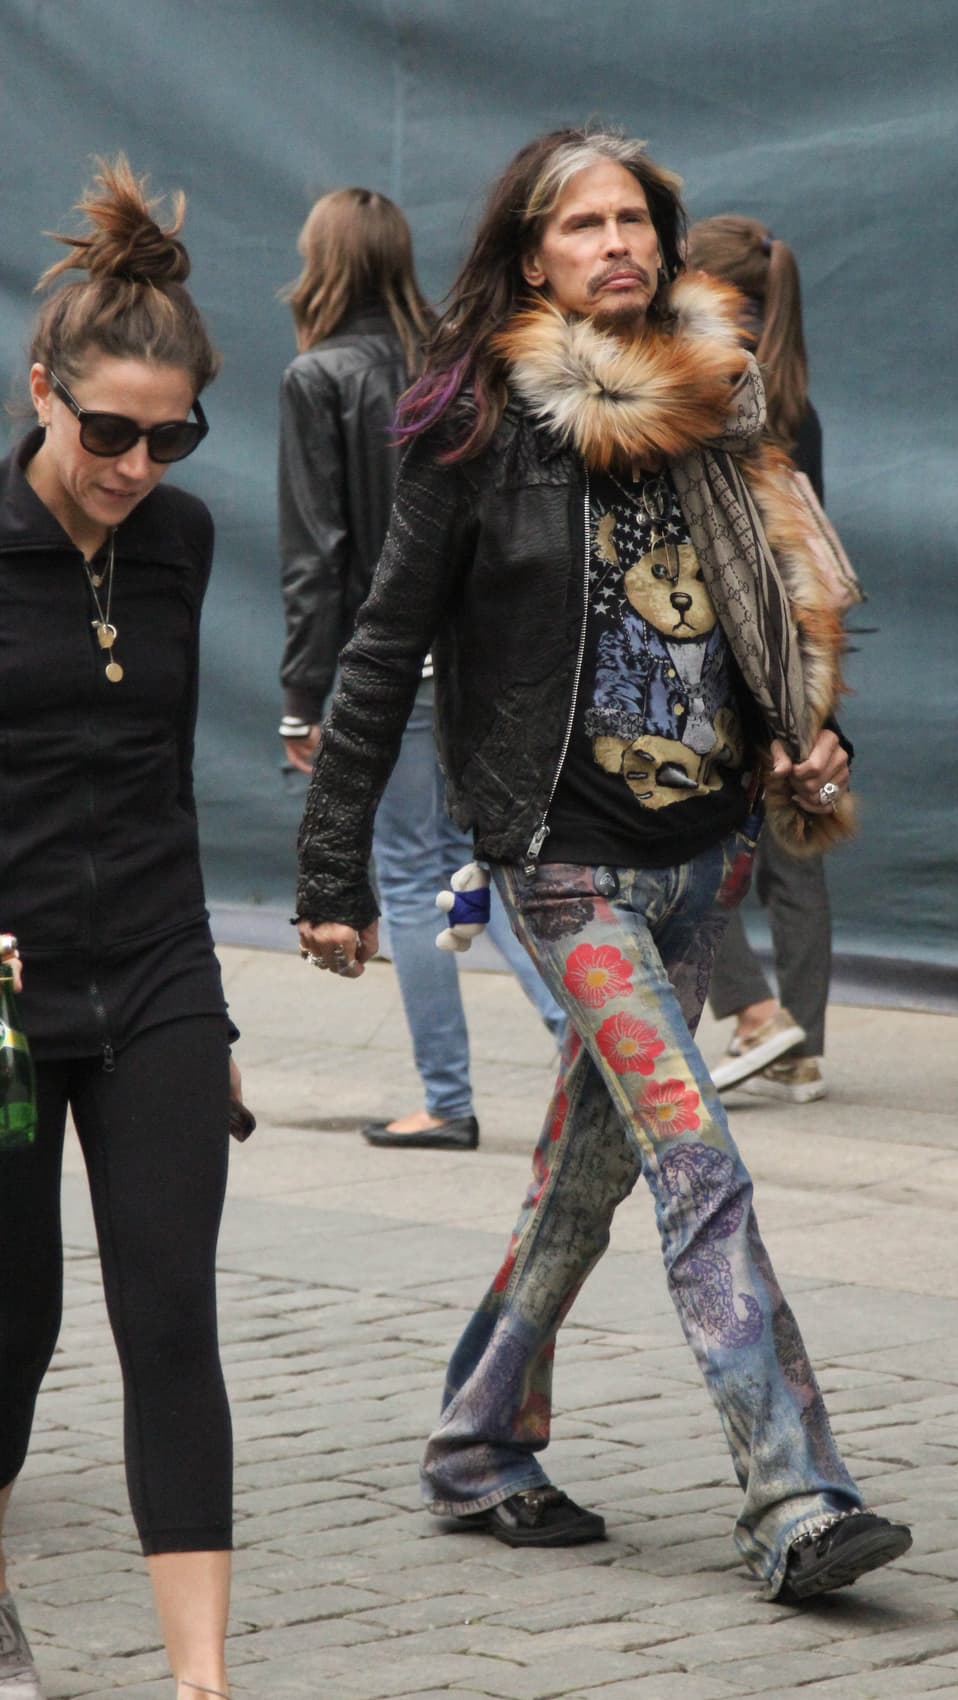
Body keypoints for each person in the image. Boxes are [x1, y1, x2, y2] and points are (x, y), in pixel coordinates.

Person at [294, 127, 912, 1603]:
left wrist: (810, 746)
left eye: (635, 217)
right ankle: (795, 1496)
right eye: (584, 224)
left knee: (588, 1177)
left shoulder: (718, 403)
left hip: (702, 861)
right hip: (560, 859)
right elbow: (384, 644)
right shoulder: (471, 425)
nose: (617, 241)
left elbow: (776, 603)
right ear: (532, 256)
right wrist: (329, 872)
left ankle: (473, 1444)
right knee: (697, 1157)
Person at [0, 159, 239, 1700]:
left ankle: (202, 1686)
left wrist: (211, 1007)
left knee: (171, 1313)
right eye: (108, 433)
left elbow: (164, 775)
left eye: (171, 437)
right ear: (42, 393)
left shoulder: (182, 542)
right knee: (9, 1333)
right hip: (3, 996)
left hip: (153, 964)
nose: (137, 465)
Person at [277, 187, 565, 1153]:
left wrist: (298, 702)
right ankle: (597, 1050)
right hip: (479, 663)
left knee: (412, 879)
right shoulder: (451, 366)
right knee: (486, 872)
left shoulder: (319, 376)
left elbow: (319, 554)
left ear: (323, 263)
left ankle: (448, 1099)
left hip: (393, 663)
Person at [687, 214, 839, 1104]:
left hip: (717, 641)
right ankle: (803, 1045)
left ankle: (751, 1012)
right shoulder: (796, 406)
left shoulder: (706, 392)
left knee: (693, 836)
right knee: (798, 837)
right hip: (799, 638)